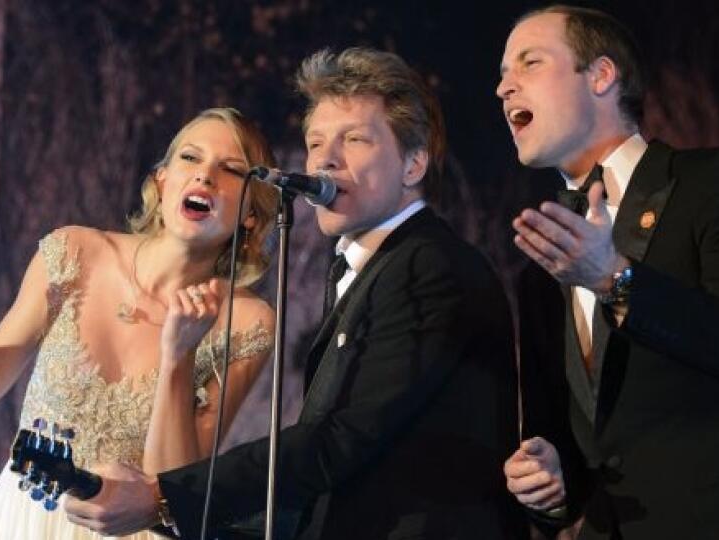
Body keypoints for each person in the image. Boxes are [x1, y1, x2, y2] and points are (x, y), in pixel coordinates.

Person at [63, 47, 527, 540]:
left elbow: (342, 440)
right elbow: (339, 476)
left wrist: (165, 496)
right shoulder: (367, 267)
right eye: (316, 142)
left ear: (413, 165)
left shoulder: (428, 266)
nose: (325, 159)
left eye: (354, 139)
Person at [496, 5, 719, 539]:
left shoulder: (717, 183)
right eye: (501, 75)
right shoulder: (541, 270)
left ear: (602, 75)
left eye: (528, 63)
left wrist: (614, 281)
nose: (504, 89)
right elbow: (569, 455)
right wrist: (548, 485)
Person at [0, 107, 279, 539]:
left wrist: (177, 357)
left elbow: (177, 491)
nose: (204, 176)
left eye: (231, 169)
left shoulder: (247, 323)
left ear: (250, 215)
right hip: (22, 524)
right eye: (190, 158)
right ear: (162, 181)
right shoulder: (74, 253)